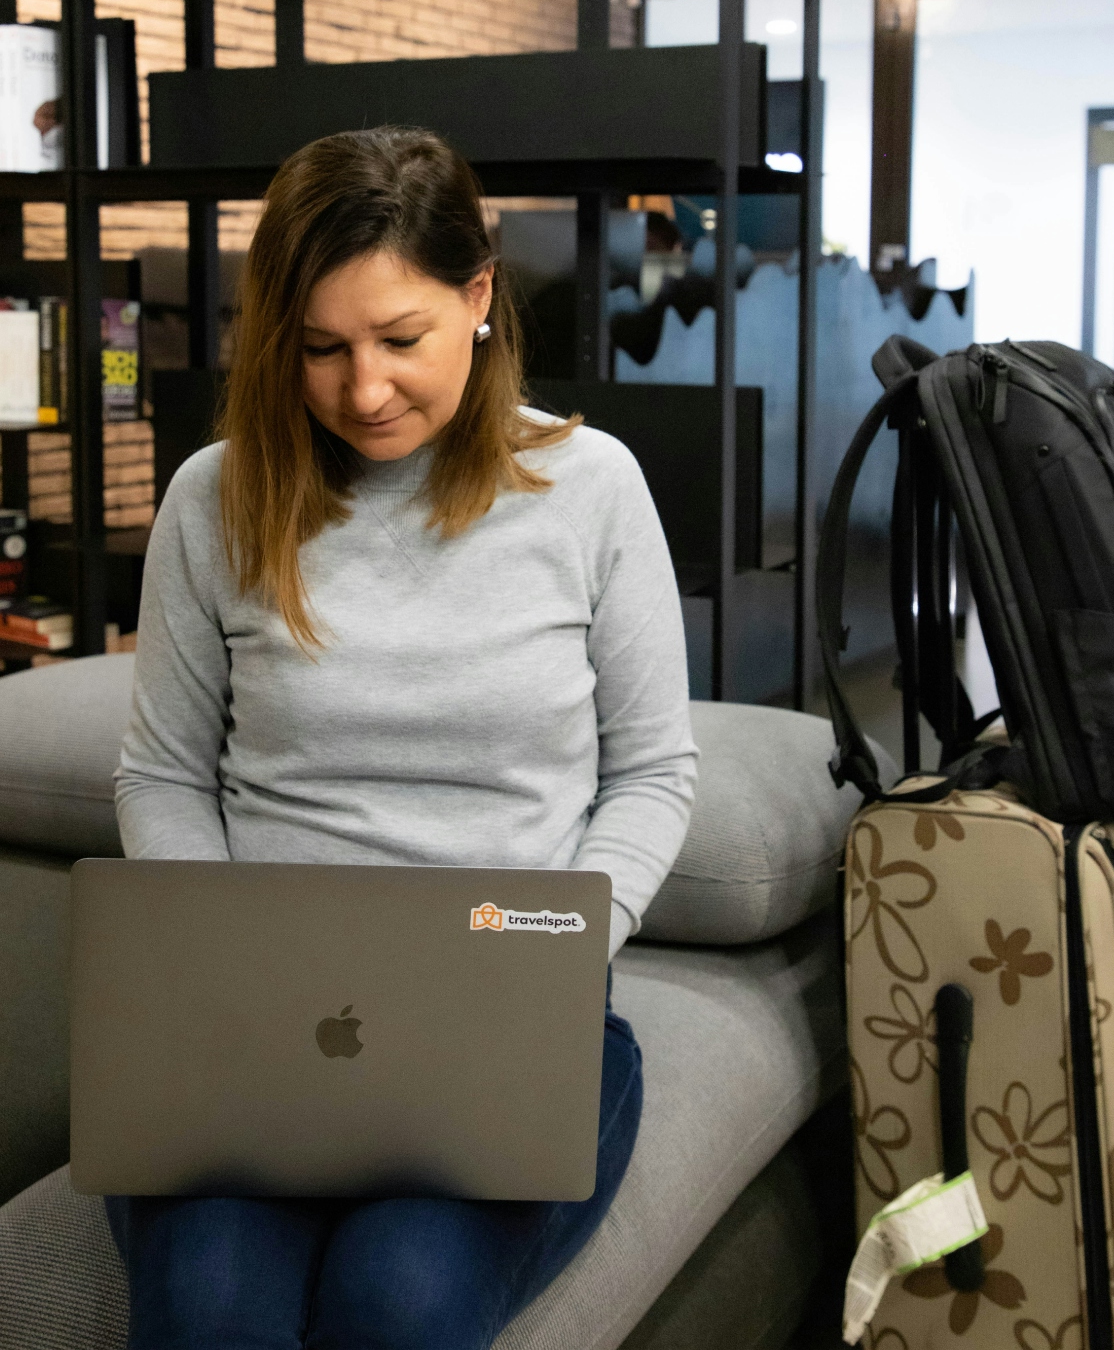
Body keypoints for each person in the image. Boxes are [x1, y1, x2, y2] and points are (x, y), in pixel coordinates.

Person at [111, 126, 698, 1350]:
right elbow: (163, 774)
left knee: (397, 1300)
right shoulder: (214, 499)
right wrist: (231, 962)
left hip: (508, 1022)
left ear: (476, 297)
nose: (362, 390)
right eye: (319, 349)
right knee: (213, 1301)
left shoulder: (590, 489)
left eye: (398, 341)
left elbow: (651, 772)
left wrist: (567, 931)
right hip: (250, 1023)